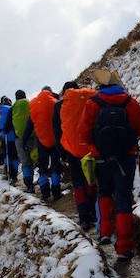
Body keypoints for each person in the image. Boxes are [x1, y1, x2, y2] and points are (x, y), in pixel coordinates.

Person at [76, 68, 140, 260]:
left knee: (104, 193)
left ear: (101, 86)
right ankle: (124, 246)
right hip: (126, 158)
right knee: (124, 198)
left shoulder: (93, 104)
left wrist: (95, 147)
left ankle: (105, 232)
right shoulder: (130, 103)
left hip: (101, 158)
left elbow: (83, 134)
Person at [57, 80, 98, 231]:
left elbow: (58, 132)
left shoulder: (59, 106)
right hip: (89, 148)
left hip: (71, 150)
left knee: (78, 184)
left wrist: (62, 153)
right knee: (91, 180)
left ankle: (83, 218)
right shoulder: (90, 98)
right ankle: (94, 214)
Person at [29, 86, 62, 201]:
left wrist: (24, 140)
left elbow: (30, 124)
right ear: (50, 92)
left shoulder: (33, 104)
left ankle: (45, 193)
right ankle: (56, 192)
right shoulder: (55, 102)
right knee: (55, 165)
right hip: (55, 139)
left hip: (41, 140)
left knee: (42, 166)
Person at [10, 90, 36, 193]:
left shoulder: (13, 108)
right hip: (32, 135)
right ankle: (44, 184)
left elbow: (8, 124)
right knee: (34, 157)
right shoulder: (30, 104)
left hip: (19, 138)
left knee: (25, 161)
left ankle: (29, 185)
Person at [0, 96, 19, 182]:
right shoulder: (14, 110)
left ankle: (8, 173)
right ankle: (15, 175)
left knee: (7, 155)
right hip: (15, 137)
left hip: (5, 137)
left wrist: (1, 134)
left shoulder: (1, 112)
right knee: (14, 156)